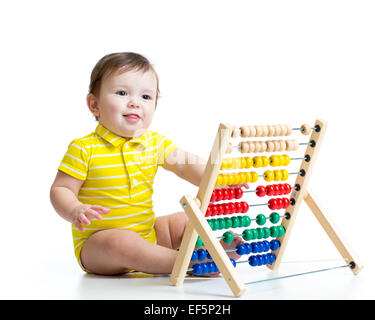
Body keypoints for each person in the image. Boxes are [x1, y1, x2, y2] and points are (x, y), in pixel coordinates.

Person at [50, 52, 241, 275]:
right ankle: (188, 263)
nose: (135, 103)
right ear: (94, 104)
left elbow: (186, 164)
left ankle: (211, 249)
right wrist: (74, 209)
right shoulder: (84, 148)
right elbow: (61, 189)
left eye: (146, 97)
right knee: (122, 242)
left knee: (183, 221)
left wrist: (219, 180)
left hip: (147, 234)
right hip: (98, 246)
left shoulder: (153, 143)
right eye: (122, 93)